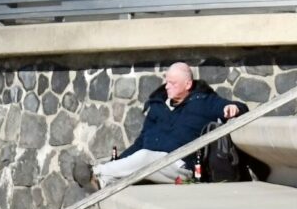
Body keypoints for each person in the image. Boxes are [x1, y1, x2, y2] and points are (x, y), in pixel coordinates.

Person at [89, 62, 241, 187]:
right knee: (143, 156)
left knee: (145, 157)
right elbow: (140, 143)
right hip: (152, 163)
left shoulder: (204, 101)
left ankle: (96, 174)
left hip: (182, 167)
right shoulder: (158, 105)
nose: (166, 86)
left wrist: (233, 108)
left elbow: (235, 107)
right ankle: (102, 178)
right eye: (166, 81)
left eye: (172, 83)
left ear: (187, 84)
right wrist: (119, 161)